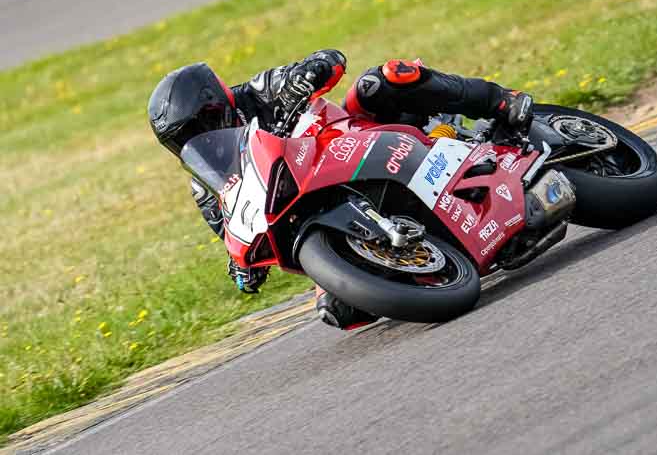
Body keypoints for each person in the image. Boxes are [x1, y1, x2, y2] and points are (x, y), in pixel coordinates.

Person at [148, 50, 533, 330]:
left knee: (381, 80)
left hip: (355, 140)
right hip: (313, 206)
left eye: (198, 126)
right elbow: (233, 230)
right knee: (339, 309)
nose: (197, 139)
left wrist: (309, 74)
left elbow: (329, 59)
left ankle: (498, 101)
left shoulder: (258, 92)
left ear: (216, 105)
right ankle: (428, 254)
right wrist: (241, 268)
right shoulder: (206, 185)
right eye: (181, 139)